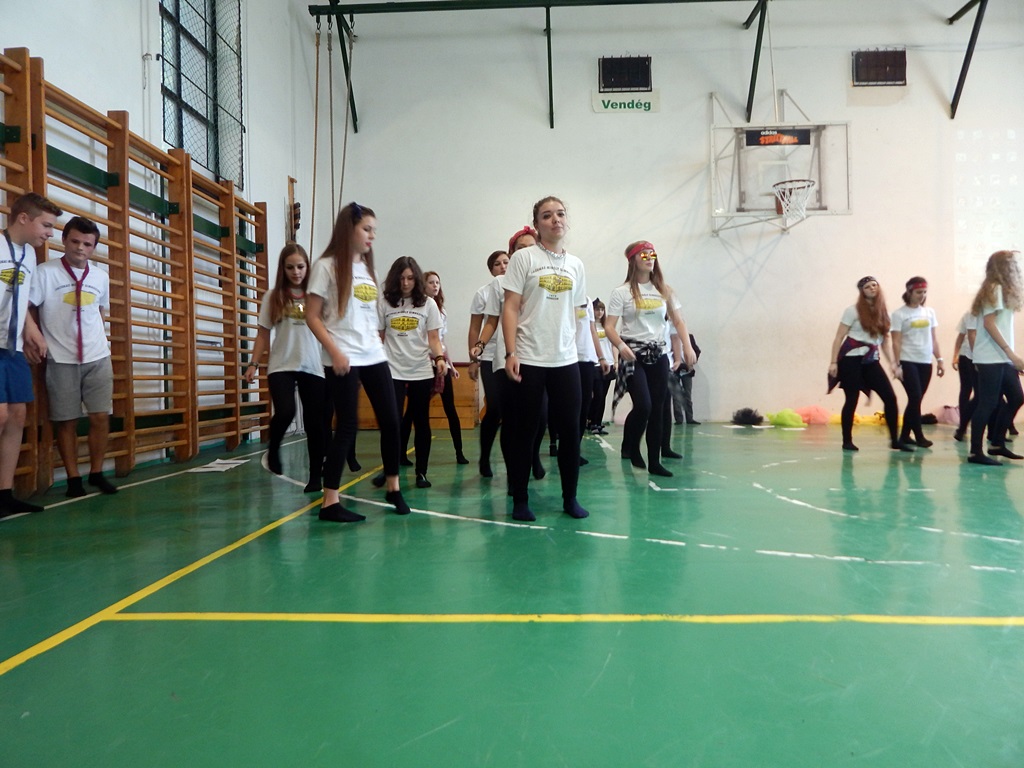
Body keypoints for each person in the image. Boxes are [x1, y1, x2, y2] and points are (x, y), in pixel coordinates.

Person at [305, 202, 411, 522]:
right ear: (348, 229)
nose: (372, 236)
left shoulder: (367, 269)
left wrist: (377, 343)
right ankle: (330, 501)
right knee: (347, 426)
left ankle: (393, 487)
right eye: (366, 229)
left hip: (373, 354)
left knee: (391, 421)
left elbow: (367, 316)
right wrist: (335, 351)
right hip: (344, 355)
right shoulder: (325, 267)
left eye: (374, 230)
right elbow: (312, 316)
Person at [501, 196, 590, 521]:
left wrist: (579, 351)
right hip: (529, 357)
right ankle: (520, 499)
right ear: (537, 224)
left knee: (570, 432)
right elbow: (510, 307)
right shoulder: (524, 258)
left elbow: (577, 312)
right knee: (525, 433)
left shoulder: (576, 265)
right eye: (547, 215)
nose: (556, 220)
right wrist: (511, 352)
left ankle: (570, 498)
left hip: (565, 360)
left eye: (560, 214)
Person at [29, 216, 117, 498]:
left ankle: (97, 472)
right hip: (61, 357)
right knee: (66, 420)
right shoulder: (45, 273)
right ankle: (73, 478)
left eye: (87, 244)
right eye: (75, 241)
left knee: (100, 416)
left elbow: (100, 312)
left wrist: (100, 340)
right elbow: (30, 308)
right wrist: (36, 340)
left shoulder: (100, 277)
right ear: (64, 240)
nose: (80, 248)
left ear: (94, 247)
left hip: (97, 356)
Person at [604, 240, 696, 477]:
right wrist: (620, 346)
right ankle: (632, 445)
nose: (649, 258)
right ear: (633, 260)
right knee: (643, 405)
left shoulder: (665, 291)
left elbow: (679, 321)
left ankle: (654, 461)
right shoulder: (622, 292)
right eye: (644, 254)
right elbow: (609, 326)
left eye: (652, 254)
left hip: (659, 355)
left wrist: (687, 347)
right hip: (634, 356)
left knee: (657, 409)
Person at [243, 242, 326, 492]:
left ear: (307, 267)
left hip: (312, 364)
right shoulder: (273, 296)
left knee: (315, 423)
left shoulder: (317, 296)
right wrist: (253, 363)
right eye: (290, 267)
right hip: (282, 364)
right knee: (286, 411)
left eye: (300, 267)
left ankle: (315, 477)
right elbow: (263, 334)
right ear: (283, 269)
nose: (296, 272)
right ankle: (274, 447)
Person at [0, 193, 58, 519]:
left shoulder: (30, 255)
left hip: (13, 347)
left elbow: (18, 298)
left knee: (18, 415)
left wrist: (32, 330)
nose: (50, 233)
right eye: (46, 225)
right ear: (23, 218)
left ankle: (4, 493)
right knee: (0, 415)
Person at [379, 256, 447, 488]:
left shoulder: (428, 304)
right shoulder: (385, 303)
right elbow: (379, 337)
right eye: (401, 278)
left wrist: (439, 358)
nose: (406, 283)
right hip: (392, 370)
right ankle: (390, 470)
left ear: (416, 279)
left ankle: (421, 472)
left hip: (420, 370)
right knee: (392, 422)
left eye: (410, 278)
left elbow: (434, 338)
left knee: (421, 421)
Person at [827, 276, 911, 453]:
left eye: (874, 285)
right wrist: (833, 362)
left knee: (890, 397)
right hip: (851, 359)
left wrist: (893, 364)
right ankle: (847, 440)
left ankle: (894, 440)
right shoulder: (852, 311)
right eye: (867, 287)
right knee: (852, 399)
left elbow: (885, 342)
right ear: (862, 291)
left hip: (871, 360)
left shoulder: (884, 313)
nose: (872, 288)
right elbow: (839, 337)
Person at [966, 250, 1024, 465]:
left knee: (1016, 397)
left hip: (1001, 357)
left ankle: (997, 443)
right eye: (1012, 263)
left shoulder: (1002, 289)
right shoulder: (994, 288)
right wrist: (1011, 354)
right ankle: (975, 452)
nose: (1015, 267)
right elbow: (989, 324)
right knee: (988, 403)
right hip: (990, 357)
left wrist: (1009, 356)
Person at [415, 270, 467, 465]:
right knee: (414, 410)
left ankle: (459, 452)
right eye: (431, 282)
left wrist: (451, 365)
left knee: (450, 407)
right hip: (424, 363)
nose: (435, 285)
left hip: (441, 362)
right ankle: (401, 454)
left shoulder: (441, 311)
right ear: (423, 285)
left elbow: (441, 341)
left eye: (437, 282)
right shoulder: (418, 308)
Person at [468, 249, 510, 477]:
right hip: (489, 355)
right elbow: (475, 327)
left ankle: (529, 458)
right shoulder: (483, 293)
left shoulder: (518, 287)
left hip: (512, 354)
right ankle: (485, 457)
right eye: (497, 264)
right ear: (491, 270)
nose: (503, 266)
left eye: (506, 262)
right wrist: (473, 359)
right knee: (494, 408)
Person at [890, 276, 944, 448]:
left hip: (925, 361)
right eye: (919, 292)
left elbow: (933, 339)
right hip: (908, 360)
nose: (922, 295)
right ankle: (919, 436)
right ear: (909, 292)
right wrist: (896, 364)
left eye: (924, 292)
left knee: (916, 399)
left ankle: (904, 436)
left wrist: (939, 359)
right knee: (914, 397)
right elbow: (896, 341)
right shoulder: (899, 314)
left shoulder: (929, 313)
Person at [587, 298, 616, 434]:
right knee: (597, 394)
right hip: (595, 364)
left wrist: (615, 361)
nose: (600, 312)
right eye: (597, 309)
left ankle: (598, 423)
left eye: (602, 309)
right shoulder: (590, 326)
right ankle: (591, 421)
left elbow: (613, 345)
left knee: (603, 395)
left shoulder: (607, 327)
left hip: (608, 363)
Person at [951, 310, 977, 442]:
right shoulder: (970, 314)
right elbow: (962, 336)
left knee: (977, 392)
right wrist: (955, 355)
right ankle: (963, 425)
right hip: (968, 356)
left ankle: (963, 425)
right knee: (967, 389)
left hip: (978, 356)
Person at [668, 331, 701, 425]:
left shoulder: (689, 337)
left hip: (687, 371)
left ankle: (690, 418)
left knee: (687, 395)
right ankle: (679, 419)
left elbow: (697, 350)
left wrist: (692, 360)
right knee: (676, 396)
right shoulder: (671, 337)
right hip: (675, 370)